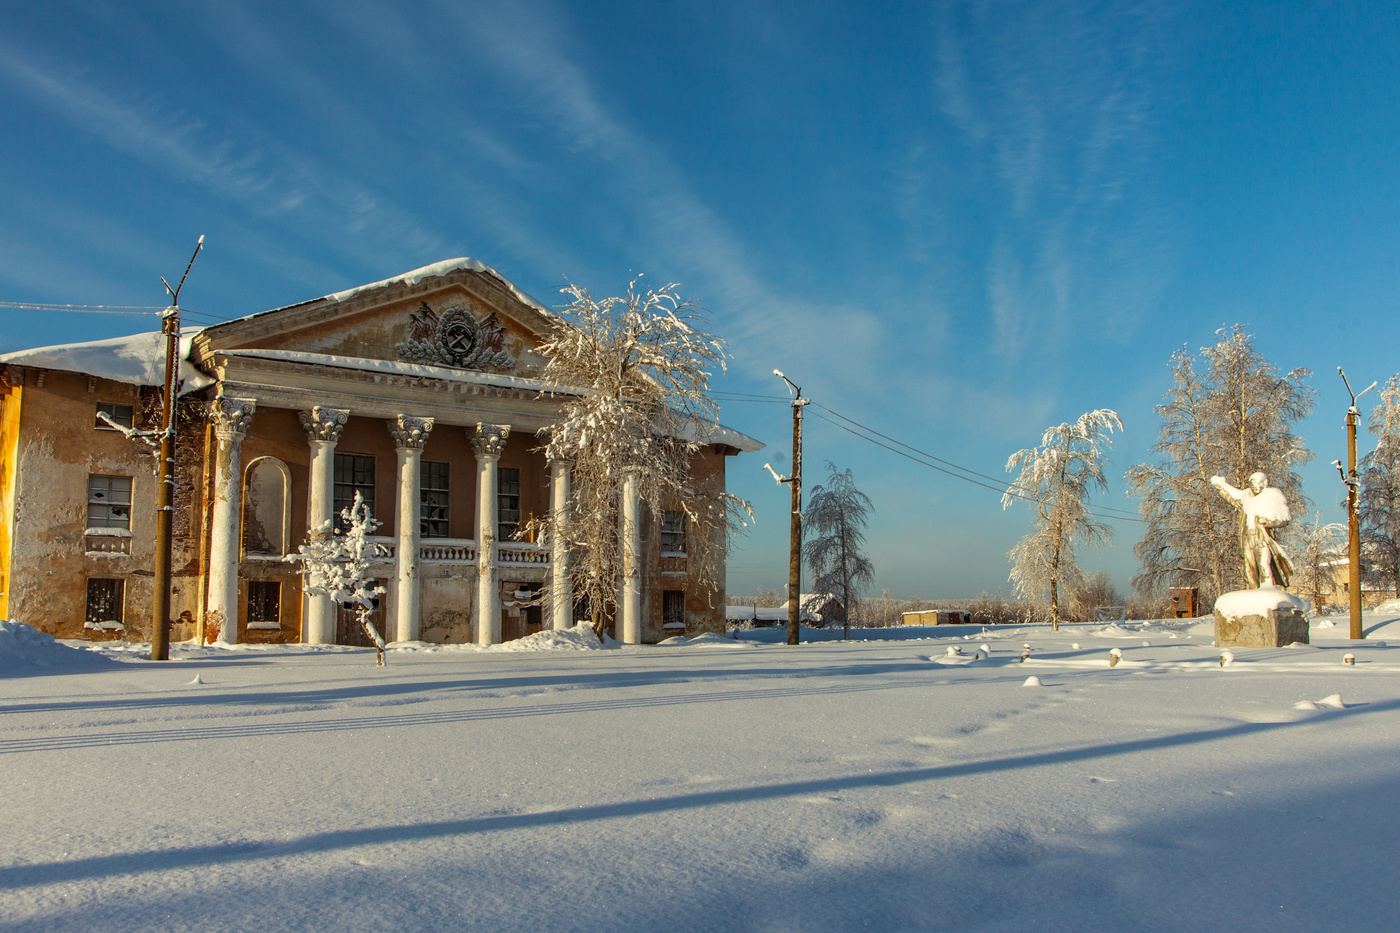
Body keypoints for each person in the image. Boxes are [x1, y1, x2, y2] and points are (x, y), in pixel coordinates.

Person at [1210, 472, 1293, 589]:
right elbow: (1233, 495)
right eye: (1253, 484)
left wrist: (1267, 522)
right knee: (1250, 568)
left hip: (1262, 539)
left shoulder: (1272, 495)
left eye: (1258, 483)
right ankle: (1254, 591)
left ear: (1264, 483)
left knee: (1264, 564)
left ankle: (1267, 589)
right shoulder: (1246, 496)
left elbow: (1284, 520)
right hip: (1247, 538)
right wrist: (1221, 484)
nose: (1255, 487)